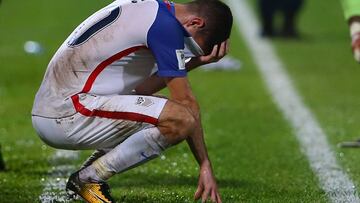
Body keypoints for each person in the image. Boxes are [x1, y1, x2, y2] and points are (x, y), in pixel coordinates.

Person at [31, 0, 232, 202]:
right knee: (180, 119)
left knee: (163, 110)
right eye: (191, 46)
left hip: (58, 103)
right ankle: (89, 179)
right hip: (66, 111)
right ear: (195, 23)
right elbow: (185, 103)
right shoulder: (166, 27)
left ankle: (88, 174)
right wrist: (205, 164)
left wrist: (193, 62)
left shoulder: (153, 9)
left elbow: (143, 89)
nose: (185, 49)